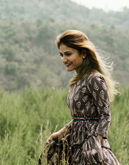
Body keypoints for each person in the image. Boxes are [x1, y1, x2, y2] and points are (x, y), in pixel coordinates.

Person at [41, 30, 120, 165]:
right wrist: (63, 131)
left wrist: (96, 142)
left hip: (92, 148)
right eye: (61, 55)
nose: (64, 59)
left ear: (83, 53)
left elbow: (105, 114)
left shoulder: (94, 79)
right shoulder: (78, 82)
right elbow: (82, 117)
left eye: (68, 54)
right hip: (76, 145)